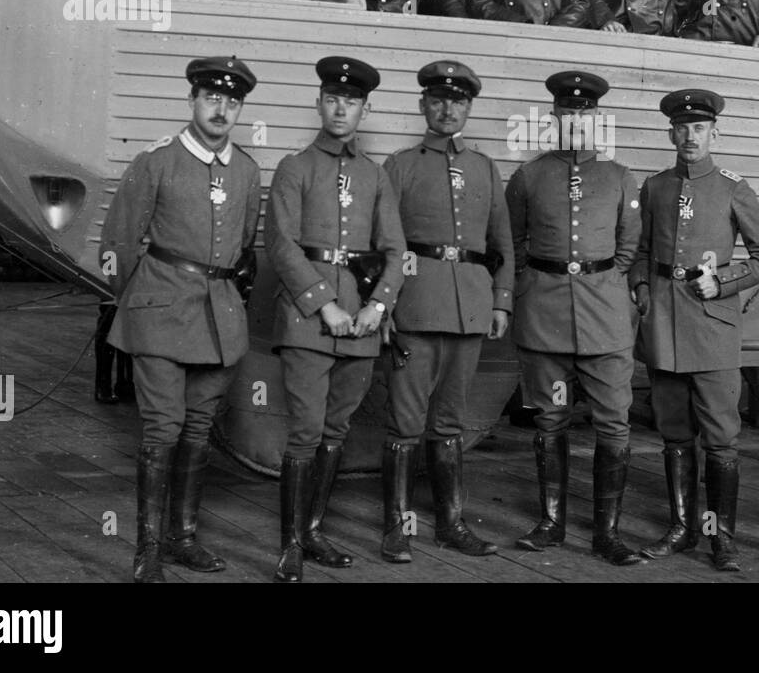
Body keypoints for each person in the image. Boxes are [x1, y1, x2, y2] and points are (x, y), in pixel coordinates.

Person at [100, 57, 262, 584]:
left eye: (232, 102)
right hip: (160, 312)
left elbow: (242, 247)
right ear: (192, 100)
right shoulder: (157, 161)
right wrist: (136, 302)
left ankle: (183, 538)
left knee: (197, 428)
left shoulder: (246, 171)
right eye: (212, 98)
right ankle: (147, 548)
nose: (221, 109)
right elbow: (120, 242)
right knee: (162, 426)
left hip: (220, 319)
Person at [265, 56, 405, 583]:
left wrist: (377, 306)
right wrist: (325, 303)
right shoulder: (295, 168)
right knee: (304, 431)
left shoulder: (374, 175)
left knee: (335, 429)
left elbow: (394, 249)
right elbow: (281, 245)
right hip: (308, 320)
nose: (341, 108)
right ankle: (290, 547)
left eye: (351, 101)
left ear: (364, 110)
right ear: (318, 103)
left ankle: (314, 530)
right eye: (332, 98)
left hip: (363, 328)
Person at [631, 89, 759, 571]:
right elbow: (642, 251)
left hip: (713, 326)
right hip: (665, 327)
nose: (690, 136)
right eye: (682, 127)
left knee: (720, 438)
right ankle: (681, 528)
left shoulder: (734, 187)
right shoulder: (654, 187)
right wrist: (643, 291)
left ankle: (721, 537)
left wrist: (725, 281)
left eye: (699, 128)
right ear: (670, 132)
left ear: (715, 132)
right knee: (673, 433)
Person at [505, 70, 642, 565]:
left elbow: (629, 249)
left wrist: (600, 281)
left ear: (596, 119)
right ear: (555, 117)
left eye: (584, 113)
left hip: (605, 316)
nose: (576, 120)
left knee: (613, 423)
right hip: (545, 316)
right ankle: (551, 522)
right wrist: (535, 285)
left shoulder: (619, 177)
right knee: (551, 417)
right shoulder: (529, 177)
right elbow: (513, 244)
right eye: (567, 112)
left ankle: (607, 531)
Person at [379, 60, 512, 563]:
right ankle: (397, 526)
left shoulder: (484, 167)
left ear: (469, 108)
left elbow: (501, 242)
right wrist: (385, 305)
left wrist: (500, 300)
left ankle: (452, 523)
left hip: (470, 310)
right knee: (405, 420)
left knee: (451, 420)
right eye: (438, 100)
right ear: (423, 106)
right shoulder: (401, 164)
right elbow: (384, 242)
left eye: (458, 101)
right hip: (416, 305)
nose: (448, 109)